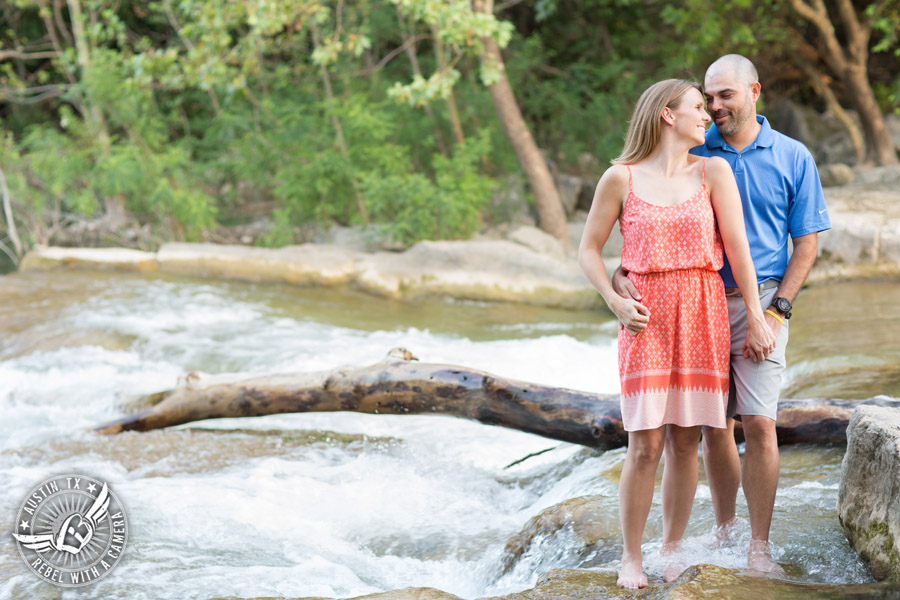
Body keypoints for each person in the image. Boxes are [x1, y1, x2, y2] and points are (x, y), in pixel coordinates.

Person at [613, 55, 832, 573]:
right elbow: (648, 223)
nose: (714, 107)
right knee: (710, 428)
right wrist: (623, 278)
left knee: (758, 423)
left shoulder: (793, 156)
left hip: (763, 301)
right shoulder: (696, 147)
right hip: (701, 304)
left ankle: (758, 547)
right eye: (707, 98)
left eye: (724, 96)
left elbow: (807, 245)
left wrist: (775, 312)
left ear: (754, 91)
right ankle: (722, 532)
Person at [578, 78, 776, 590]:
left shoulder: (714, 172)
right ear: (667, 115)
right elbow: (588, 250)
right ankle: (630, 557)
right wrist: (616, 300)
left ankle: (670, 548)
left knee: (687, 443)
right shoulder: (619, 178)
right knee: (644, 444)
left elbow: (738, 250)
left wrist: (756, 314)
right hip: (645, 319)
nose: (707, 114)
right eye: (696, 106)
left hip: (702, 313)